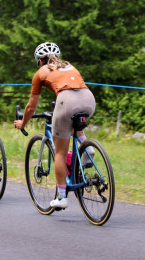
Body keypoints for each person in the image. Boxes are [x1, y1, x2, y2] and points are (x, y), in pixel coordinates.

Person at [13, 42, 96, 209]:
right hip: (88, 99)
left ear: (40, 61)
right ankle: (87, 147)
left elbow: (31, 106)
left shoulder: (41, 72)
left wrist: (23, 123)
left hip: (67, 101)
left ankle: (61, 196)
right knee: (74, 124)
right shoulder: (69, 65)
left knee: (59, 151)